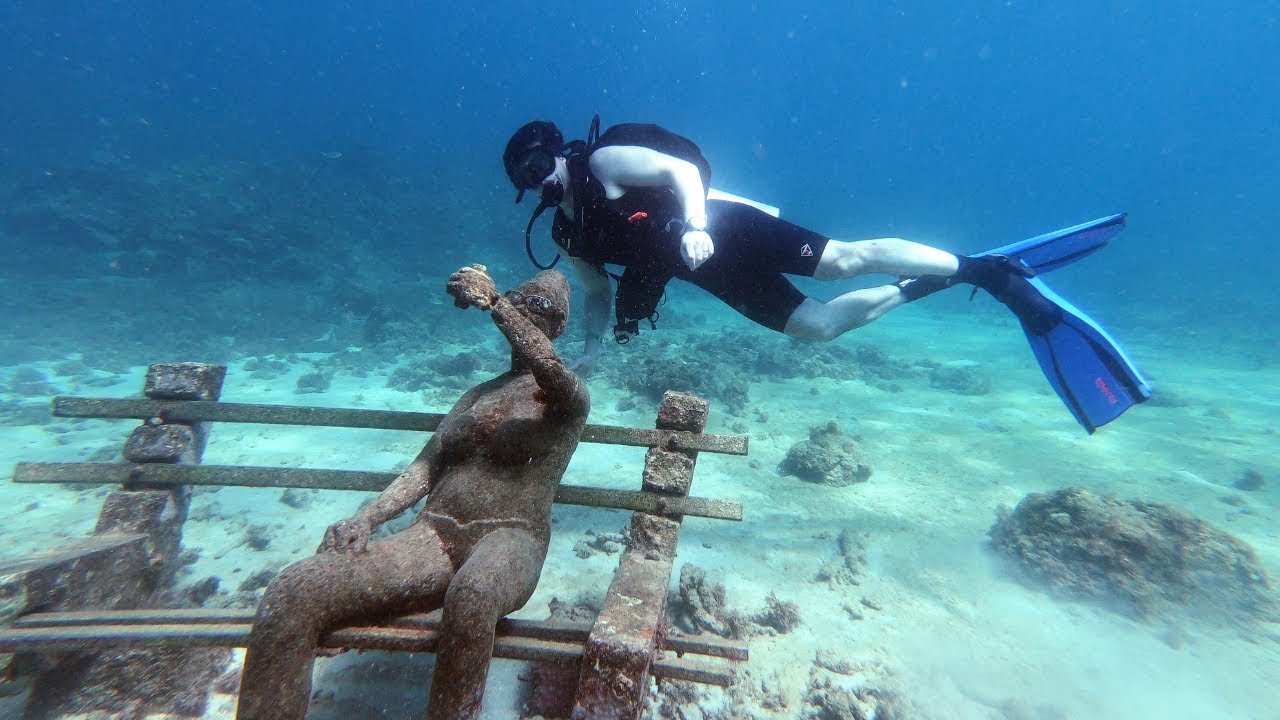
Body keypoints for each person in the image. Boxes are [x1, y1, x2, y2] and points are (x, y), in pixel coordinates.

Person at [502, 117, 1150, 432]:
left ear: (558, 151)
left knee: (842, 259)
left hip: (726, 227)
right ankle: (919, 286)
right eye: (525, 179)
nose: (540, 179)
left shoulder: (608, 161)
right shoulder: (568, 232)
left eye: (539, 163)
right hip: (712, 276)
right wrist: (586, 349)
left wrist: (697, 224)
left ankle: (986, 270)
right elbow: (593, 291)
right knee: (813, 328)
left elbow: (680, 174)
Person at [235, 265, 589, 720]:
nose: (525, 310)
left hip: (512, 538)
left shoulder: (569, 397)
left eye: (539, 307)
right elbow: (426, 466)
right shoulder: (476, 394)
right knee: (294, 591)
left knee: (474, 596)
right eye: (520, 299)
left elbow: (548, 366)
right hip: (433, 536)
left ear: (559, 326)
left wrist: (497, 304)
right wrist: (368, 516)